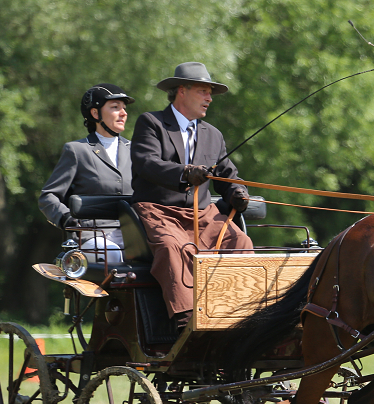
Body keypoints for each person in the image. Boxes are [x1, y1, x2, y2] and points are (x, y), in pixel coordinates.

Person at [130, 62, 253, 328]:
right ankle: (187, 321)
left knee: (240, 242)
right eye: (203, 91)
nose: (209, 98)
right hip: (159, 210)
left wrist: (238, 193)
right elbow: (146, 163)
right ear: (181, 91)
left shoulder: (213, 134)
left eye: (210, 92)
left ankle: (238, 313)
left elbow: (227, 176)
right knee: (172, 247)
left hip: (204, 214)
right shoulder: (151, 123)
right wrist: (185, 172)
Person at [38, 84, 134, 263]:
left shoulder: (136, 150)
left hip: (134, 233)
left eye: (124, 108)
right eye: (115, 107)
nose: (123, 113)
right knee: (112, 255)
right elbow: (47, 197)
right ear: (95, 114)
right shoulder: (77, 150)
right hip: (92, 236)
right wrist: (66, 218)